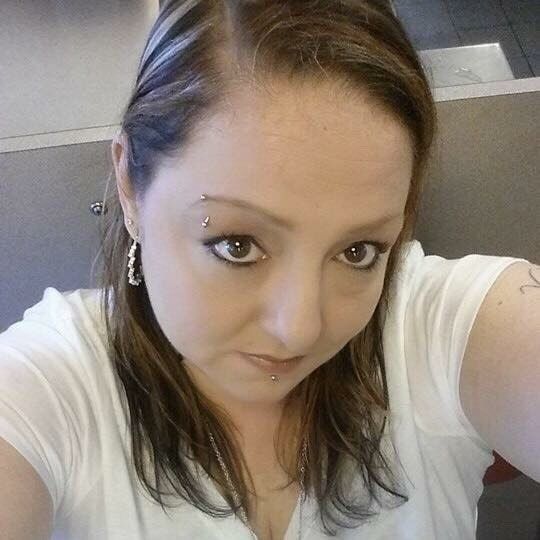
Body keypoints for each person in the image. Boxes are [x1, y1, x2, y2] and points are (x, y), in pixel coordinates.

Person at [0, 1, 538, 539]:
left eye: (358, 251)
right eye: (236, 246)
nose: (299, 329)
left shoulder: (442, 331)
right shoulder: (49, 388)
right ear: (130, 187)